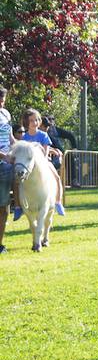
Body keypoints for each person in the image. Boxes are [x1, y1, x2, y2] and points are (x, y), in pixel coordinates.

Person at [19, 109, 66, 217]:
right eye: (31, 120)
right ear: (26, 122)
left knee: (56, 178)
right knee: (19, 182)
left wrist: (43, 162)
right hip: (29, 164)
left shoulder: (43, 135)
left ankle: (58, 202)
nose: (34, 123)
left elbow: (45, 152)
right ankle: (20, 206)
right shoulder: (24, 137)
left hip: (44, 162)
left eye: (36, 120)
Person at [0, 87, 15, 254]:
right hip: (2, 160)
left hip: (5, 167)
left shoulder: (5, 114)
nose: (1, 104)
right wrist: (3, 155)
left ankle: (0, 243)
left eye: (3, 101)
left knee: (3, 207)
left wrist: (21, 148)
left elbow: (11, 138)